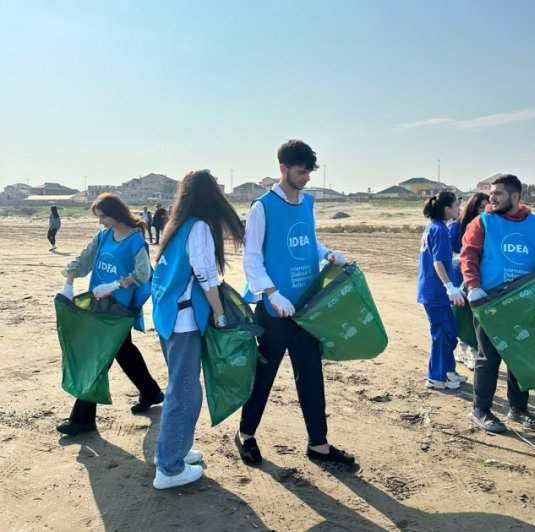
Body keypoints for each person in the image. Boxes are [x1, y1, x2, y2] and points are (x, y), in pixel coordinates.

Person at [237, 139, 354, 466]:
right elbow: (252, 258)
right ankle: (246, 434)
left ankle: (318, 444)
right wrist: (272, 294)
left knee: (311, 375)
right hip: (275, 310)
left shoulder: (307, 203)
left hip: (305, 307)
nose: (306, 178)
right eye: (301, 172)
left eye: (308, 173)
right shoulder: (262, 207)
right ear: (283, 169)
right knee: (264, 375)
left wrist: (327, 253)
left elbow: (309, 241)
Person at [151, 170, 245, 489]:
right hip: (184, 323)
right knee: (186, 391)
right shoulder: (200, 227)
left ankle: (173, 449)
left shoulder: (176, 226)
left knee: (182, 388)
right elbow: (206, 276)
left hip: (167, 318)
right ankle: (169, 468)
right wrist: (220, 314)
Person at [57, 193, 164, 435]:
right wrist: (69, 284)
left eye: (103, 217)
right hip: (100, 306)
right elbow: (84, 259)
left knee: (99, 355)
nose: (100, 222)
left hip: (120, 308)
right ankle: (150, 391)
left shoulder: (136, 241)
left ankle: (82, 418)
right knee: (123, 351)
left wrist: (116, 284)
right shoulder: (104, 235)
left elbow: (144, 273)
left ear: (116, 214)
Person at [461, 174, 535, 433]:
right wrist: (473, 287)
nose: (491, 198)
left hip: (525, 302)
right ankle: (480, 409)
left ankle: (518, 408)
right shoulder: (482, 222)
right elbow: (468, 256)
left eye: (498, 194)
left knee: (521, 355)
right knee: (488, 359)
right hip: (490, 302)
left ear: (515, 197)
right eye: (491, 193)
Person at [417, 190, 467, 390]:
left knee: (450, 332)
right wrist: (449, 287)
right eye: (457, 205)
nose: (459, 209)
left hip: (435, 290)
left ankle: (448, 370)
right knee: (441, 334)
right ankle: (436, 377)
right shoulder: (440, 231)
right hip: (435, 291)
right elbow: (438, 262)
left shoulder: (435, 227)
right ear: (447, 209)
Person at [448, 193, 489, 370]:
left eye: (488, 207)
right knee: (463, 317)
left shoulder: (489, 226)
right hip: (460, 278)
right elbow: (446, 252)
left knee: (477, 316)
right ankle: (468, 350)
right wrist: (462, 258)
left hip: (481, 278)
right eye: (482, 207)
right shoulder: (457, 226)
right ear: (473, 206)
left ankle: (468, 349)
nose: (485, 210)